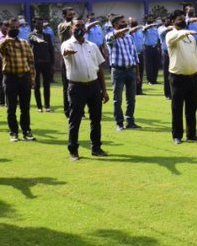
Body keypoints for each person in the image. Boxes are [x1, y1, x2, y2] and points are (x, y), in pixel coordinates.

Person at [61, 19, 109, 159]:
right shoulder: (67, 44)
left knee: (96, 119)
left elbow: (99, 68)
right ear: (71, 28)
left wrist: (104, 90)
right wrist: (67, 52)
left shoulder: (92, 46)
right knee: (75, 120)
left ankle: (96, 148)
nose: (80, 28)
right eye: (77, 26)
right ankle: (73, 151)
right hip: (77, 87)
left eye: (82, 26)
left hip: (94, 86)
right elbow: (64, 51)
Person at [164, 12, 197, 143]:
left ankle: (191, 134)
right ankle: (177, 136)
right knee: (177, 108)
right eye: (179, 19)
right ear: (172, 21)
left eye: (183, 19)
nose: (182, 21)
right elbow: (174, 38)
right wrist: (184, 32)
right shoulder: (171, 34)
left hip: (192, 77)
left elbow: (195, 55)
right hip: (178, 78)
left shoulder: (191, 37)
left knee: (192, 108)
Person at [0, 18, 36, 142]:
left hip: (24, 77)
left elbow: (31, 62)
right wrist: (8, 37)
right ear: (7, 28)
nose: (15, 30)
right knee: (11, 107)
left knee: (25, 107)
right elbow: (0, 48)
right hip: (10, 78)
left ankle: (26, 131)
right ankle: (13, 132)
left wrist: (32, 78)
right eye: (12, 27)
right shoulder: (3, 43)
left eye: (16, 27)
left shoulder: (25, 43)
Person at [106, 15, 144, 130]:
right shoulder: (110, 36)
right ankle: (119, 123)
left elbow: (134, 56)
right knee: (117, 99)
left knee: (131, 98)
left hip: (130, 70)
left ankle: (130, 121)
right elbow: (112, 36)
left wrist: (137, 74)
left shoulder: (128, 37)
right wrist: (123, 30)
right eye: (122, 22)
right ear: (115, 25)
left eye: (125, 22)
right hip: (118, 71)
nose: (125, 24)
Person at [29, 19, 56, 113]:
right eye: (38, 23)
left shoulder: (47, 35)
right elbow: (30, 46)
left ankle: (47, 106)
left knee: (46, 85)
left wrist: (53, 64)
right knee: (36, 85)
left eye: (41, 23)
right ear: (34, 24)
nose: (40, 24)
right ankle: (39, 106)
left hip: (46, 63)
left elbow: (51, 50)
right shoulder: (31, 35)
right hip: (35, 63)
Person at [142, 15, 161, 88]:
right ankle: (150, 80)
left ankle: (154, 79)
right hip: (147, 48)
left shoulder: (155, 29)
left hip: (155, 47)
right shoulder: (145, 28)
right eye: (149, 18)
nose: (151, 19)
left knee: (156, 64)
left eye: (151, 18)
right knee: (148, 64)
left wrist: (158, 46)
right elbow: (144, 29)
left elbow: (157, 38)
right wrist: (151, 25)